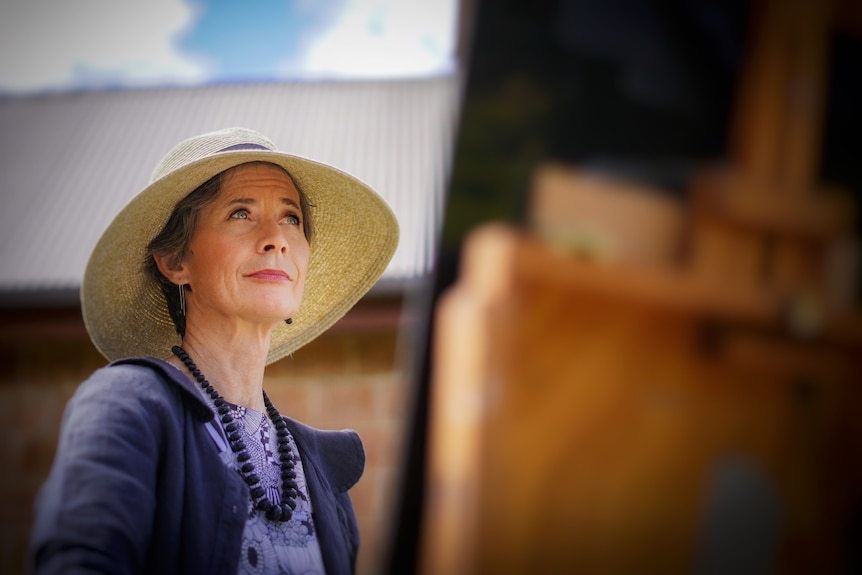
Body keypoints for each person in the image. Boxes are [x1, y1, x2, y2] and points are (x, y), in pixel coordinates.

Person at [29, 127, 399, 574]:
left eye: (292, 218)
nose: (276, 239)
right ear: (176, 262)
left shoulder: (322, 471)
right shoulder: (128, 405)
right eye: (241, 213)